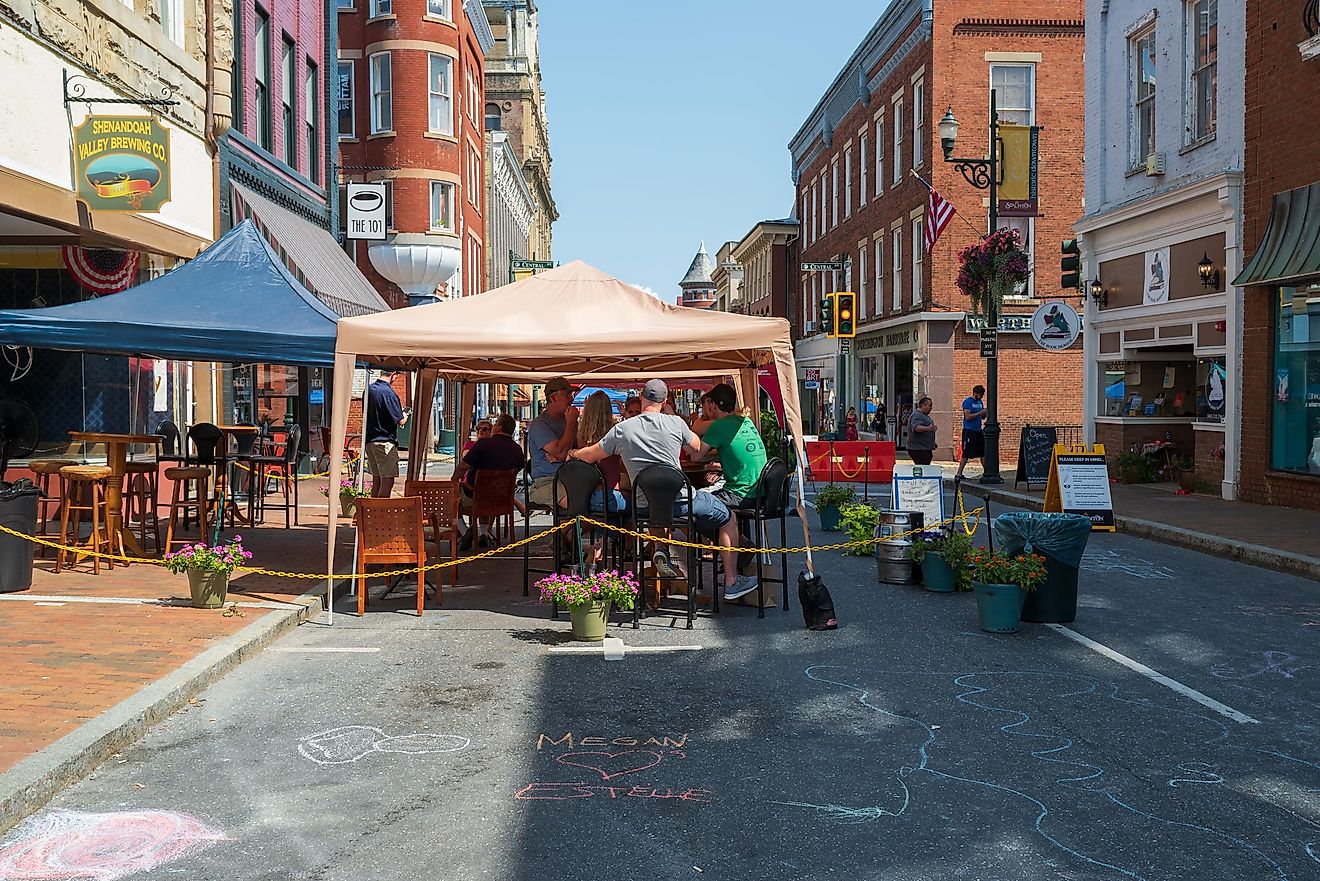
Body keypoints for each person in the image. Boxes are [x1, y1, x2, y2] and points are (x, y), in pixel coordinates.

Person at [569, 378, 758, 601]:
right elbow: (697, 448)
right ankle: (731, 581)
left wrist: (572, 453)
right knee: (728, 519)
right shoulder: (675, 424)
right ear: (665, 400)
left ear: (641, 398)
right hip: (680, 502)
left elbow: (590, 454)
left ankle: (661, 549)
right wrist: (673, 417)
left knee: (652, 507)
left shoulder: (622, 429)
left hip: (642, 506)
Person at [453, 413, 525, 549]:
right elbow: (519, 468)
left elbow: (463, 466)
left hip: (475, 496)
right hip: (503, 498)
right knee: (485, 491)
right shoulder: (517, 450)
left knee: (451, 496)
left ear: (498, 428)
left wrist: (454, 480)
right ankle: (483, 533)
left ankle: (465, 532)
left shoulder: (483, 444)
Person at [527, 377, 578, 508]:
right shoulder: (540, 424)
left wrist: (569, 454)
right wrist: (571, 423)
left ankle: (566, 529)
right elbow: (560, 452)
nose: (571, 399)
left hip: (570, 478)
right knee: (577, 504)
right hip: (547, 482)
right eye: (568, 394)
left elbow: (579, 449)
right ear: (554, 398)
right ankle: (566, 529)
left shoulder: (568, 421)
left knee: (600, 501)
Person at [365, 370, 408, 498]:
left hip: (369, 440)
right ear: (393, 374)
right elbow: (400, 420)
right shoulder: (388, 393)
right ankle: (381, 513)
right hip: (384, 442)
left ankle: (372, 512)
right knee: (388, 480)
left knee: (377, 480)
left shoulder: (368, 390)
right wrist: (405, 415)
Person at [957, 384, 988, 480]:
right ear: (975, 393)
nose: (981, 397)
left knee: (983, 452)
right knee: (966, 452)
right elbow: (968, 416)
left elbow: (982, 417)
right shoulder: (968, 402)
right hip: (969, 430)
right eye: (980, 395)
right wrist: (979, 413)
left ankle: (986, 472)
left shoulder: (980, 402)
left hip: (978, 430)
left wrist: (984, 413)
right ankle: (959, 473)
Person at [906, 397, 937, 465]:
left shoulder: (923, 415)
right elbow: (916, 427)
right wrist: (928, 428)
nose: (931, 408)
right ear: (923, 405)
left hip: (924, 448)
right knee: (922, 466)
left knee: (925, 466)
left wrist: (932, 442)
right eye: (930, 405)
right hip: (918, 449)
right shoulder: (917, 415)